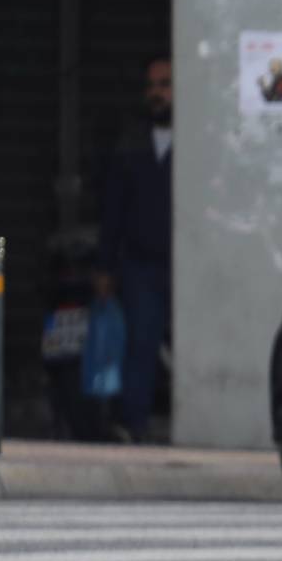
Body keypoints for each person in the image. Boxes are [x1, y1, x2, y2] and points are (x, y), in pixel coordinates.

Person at [95, 56, 174, 443]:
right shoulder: (132, 142)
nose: (157, 93)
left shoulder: (197, 142)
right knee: (141, 345)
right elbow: (114, 210)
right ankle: (134, 425)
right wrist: (105, 267)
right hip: (143, 263)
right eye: (151, 86)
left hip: (189, 264)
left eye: (165, 84)